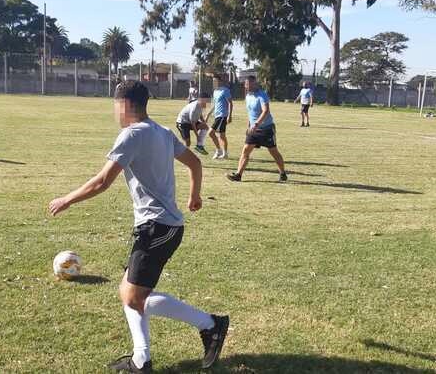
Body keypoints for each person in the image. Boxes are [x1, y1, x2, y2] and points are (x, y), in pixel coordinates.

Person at [48, 81, 229, 373]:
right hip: (162, 226)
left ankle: (211, 325)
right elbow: (196, 163)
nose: (114, 112)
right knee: (128, 292)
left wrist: (67, 199)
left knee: (133, 296)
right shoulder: (161, 132)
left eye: (114, 105)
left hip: (157, 228)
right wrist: (194, 196)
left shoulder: (130, 134)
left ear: (125, 105)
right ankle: (141, 359)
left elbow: (102, 182)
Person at [226, 76, 287, 182]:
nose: (246, 86)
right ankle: (238, 175)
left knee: (274, 152)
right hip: (253, 130)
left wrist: (257, 124)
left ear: (254, 84)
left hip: (266, 129)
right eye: (245, 84)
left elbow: (265, 110)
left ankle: (282, 173)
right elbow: (251, 113)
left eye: (248, 84)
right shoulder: (248, 96)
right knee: (245, 151)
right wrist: (249, 126)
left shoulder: (262, 95)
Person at [208, 75, 233, 159]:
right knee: (222, 136)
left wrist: (229, 115)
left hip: (222, 115)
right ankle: (225, 154)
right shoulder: (215, 91)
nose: (214, 83)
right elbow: (214, 105)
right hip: (217, 115)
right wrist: (208, 114)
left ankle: (219, 151)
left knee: (211, 133)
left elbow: (230, 103)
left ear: (220, 81)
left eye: (216, 81)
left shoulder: (225, 90)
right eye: (213, 81)